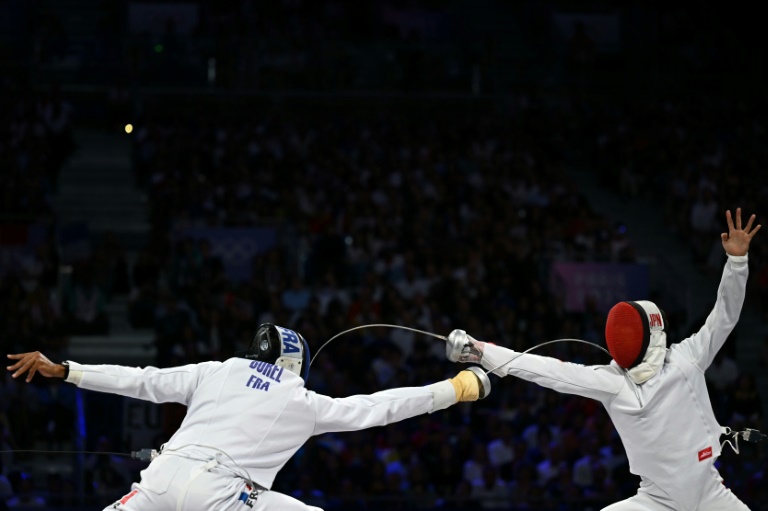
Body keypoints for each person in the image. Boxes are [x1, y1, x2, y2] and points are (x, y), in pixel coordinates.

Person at [444, 209, 760, 510]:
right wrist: (481, 350)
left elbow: (724, 316)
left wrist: (736, 261)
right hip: (656, 502)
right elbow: (544, 369)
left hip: (709, 493)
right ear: (656, 331)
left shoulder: (685, 358)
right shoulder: (615, 381)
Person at [7, 323, 491, 511]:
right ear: (295, 365)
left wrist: (66, 369)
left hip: (159, 480)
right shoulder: (303, 401)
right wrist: (454, 388)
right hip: (222, 493)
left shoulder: (215, 371)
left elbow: (141, 380)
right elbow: (377, 409)